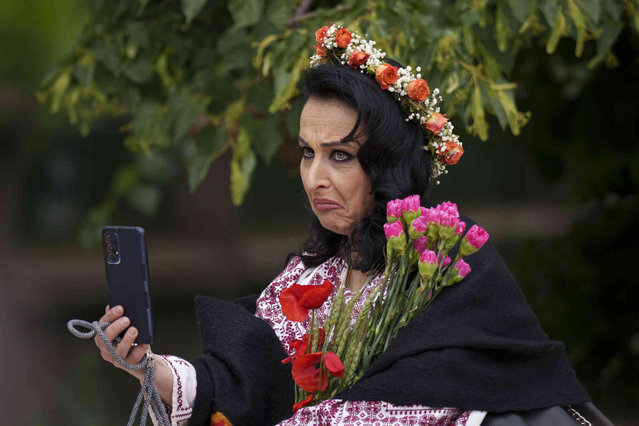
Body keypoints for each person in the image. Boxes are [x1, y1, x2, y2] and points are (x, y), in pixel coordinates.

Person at [93, 25, 603, 426]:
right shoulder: (310, 276)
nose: (315, 178)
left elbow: (424, 400)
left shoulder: (446, 262)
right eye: (307, 153)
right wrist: (145, 366)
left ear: (388, 164)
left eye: (340, 156)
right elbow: (246, 382)